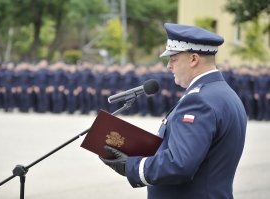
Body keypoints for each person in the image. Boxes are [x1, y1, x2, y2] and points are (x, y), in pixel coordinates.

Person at [100, 23, 247, 199]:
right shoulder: (224, 93)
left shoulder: (199, 100)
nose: (169, 66)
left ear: (193, 59)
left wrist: (131, 166)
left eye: (173, 58)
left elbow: (179, 165)